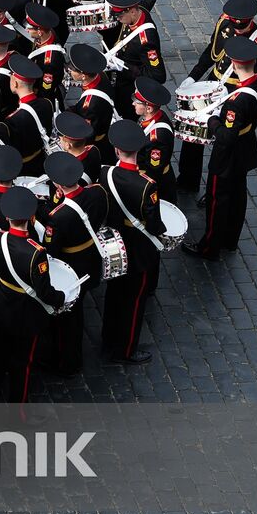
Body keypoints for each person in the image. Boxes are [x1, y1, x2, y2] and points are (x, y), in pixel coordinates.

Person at [184, 36, 257, 259]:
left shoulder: (237, 101)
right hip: (246, 146)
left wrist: (212, 119)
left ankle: (210, 246)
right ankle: (231, 239)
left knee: (217, 200)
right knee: (238, 195)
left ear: (232, 62)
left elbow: (226, 136)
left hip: (228, 155)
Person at [177, 0, 257, 193]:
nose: (237, 31)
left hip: (234, 94)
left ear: (251, 22)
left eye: (242, 28)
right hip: (214, 83)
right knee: (192, 127)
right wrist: (194, 76)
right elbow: (212, 52)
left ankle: (215, 186)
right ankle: (188, 178)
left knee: (223, 142)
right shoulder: (224, 22)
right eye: (235, 27)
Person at [0, 186, 64, 402]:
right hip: (26, 313)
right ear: (31, 217)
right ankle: (19, 410)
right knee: (22, 363)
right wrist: (61, 298)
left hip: (1, 302)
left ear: (6, 216)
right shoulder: (36, 253)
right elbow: (44, 291)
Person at [99, 121, 166, 364]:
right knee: (134, 302)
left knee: (114, 295)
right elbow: (154, 224)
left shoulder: (105, 173)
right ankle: (126, 349)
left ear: (117, 150)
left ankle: (108, 340)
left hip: (116, 245)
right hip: (139, 250)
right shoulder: (147, 185)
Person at [40, 151, 106, 377]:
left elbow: (51, 250)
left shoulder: (57, 217)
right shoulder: (97, 192)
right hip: (91, 258)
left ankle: (69, 361)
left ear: (58, 184)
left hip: (71, 265)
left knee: (69, 319)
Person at [100, 0, 165, 118]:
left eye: (120, 16)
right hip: (117, 80)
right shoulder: (137, 14)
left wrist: (124, 66)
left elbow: (158, 76)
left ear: (133, 11)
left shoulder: (146, 40)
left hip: (129, 91)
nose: (118, 19)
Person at [133, 77, 177, 203]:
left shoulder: (157, 137)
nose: (133, 103)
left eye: (137, 102)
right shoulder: (155, 116)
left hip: (157, 185)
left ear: (149, 108)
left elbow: (153, 169)